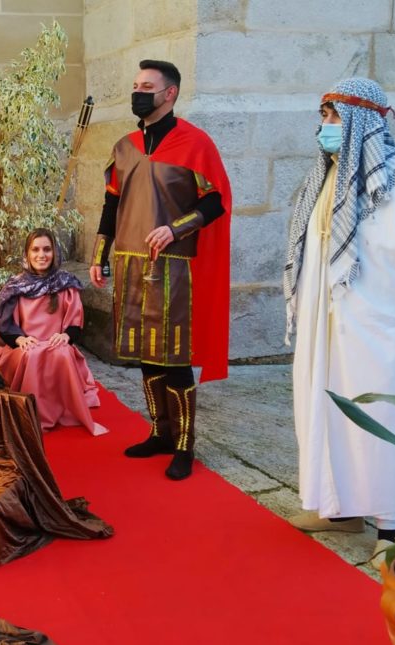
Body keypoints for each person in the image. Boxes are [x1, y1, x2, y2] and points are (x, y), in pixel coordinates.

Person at [283, 78, 395, 567]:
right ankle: (338, 511)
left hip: (377, 327)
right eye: (324, 116)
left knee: (380, 416)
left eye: (335, 117)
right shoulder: (324, 178)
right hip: (324, 325)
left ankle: (389, 525)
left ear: (364, 121)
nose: (326, 126)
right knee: (323, 408)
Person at [89, 59, 232, 480]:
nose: (138, 92)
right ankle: (160, 433)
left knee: (174, 356)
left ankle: (185, 444)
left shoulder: (195, 143)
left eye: (146, 85)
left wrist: (175, 229)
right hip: (130, 263)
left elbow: (214, 201)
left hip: (174, 268)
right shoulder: (125, 146)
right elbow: (111, 205)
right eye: (135, 84)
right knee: (143, 354)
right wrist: (99, 256)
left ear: (169, 94)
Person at [0, 229, 107, 436]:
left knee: (62, 352)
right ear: (27, 254)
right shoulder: (16, 286)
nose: (41, 255)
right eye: (35, 250)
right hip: (26, 347)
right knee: (34, 353)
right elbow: (4, 324)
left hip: (55, 343)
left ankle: (63, 406)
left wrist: (65, 336)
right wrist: (20, 338)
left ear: (55, 252)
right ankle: (35, 414)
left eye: (47, 249)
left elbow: (75, 321)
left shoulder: (65, 284)